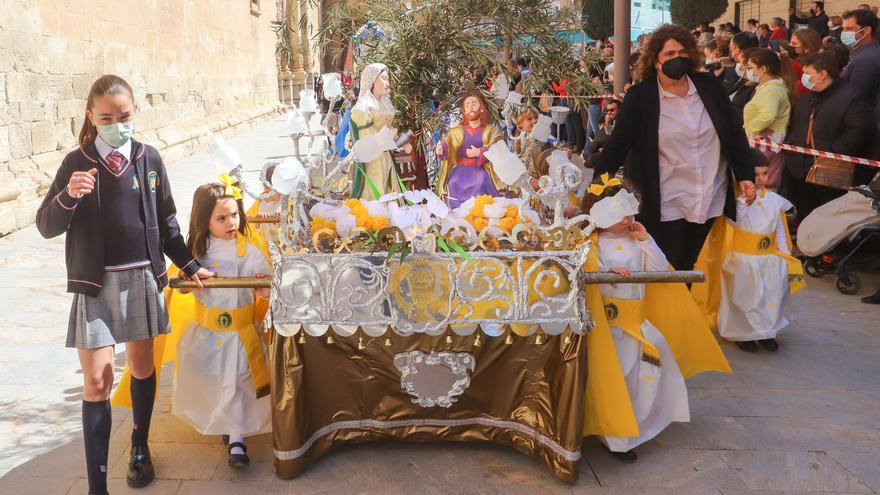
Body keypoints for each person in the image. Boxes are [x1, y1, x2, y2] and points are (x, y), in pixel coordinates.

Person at [35, 75, 213, 494]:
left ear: (135, 113)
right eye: (107, 117)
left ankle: (139, 445)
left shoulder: (149, 158)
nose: (117, 124)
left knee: (140, 367)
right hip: (94, 286)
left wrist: (189, 264)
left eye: (125, 116)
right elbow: (45, 225)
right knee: (96, 382)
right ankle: (98, 485)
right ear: (91, 117)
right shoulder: (75, 163)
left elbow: (168, 223)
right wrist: (68, 197)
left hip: (141, 280)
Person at [589, 24, 757, 273]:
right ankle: (670, 311)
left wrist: (745, 175)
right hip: (666, 198)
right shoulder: (641, 96)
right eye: (669, 54)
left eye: (682, 52)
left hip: (709, 195)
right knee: (669, 265)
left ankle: (691, 310)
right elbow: (618, 145)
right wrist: (596, 189)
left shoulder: (709, 86)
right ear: (655, 60)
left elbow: (733, 132)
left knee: (696, 267)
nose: (677, 58)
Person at [172, 182, 273, 468]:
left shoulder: (250, 252)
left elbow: (266, 283)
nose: (231, 222)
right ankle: (223, 423)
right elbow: (183, 286)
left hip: (241, 334)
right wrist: (186, 279)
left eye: (234, 215)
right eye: (221, 218)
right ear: (204, 220)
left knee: (239, 383)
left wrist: (263, 286)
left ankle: (237, 439)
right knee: (216, 380)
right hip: (207, 332)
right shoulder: (194, 255)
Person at [717, 157, 805, 352]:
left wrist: (785, 254)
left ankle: (767, 332)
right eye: (756, 174)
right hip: (744, 258)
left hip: (769, 258)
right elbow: (735, 222)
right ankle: (744, 334)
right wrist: (744, 202)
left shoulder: (774, 200)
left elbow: (779, 229)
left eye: (765, 173)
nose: (761, 178)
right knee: (745, 297)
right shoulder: (737, 200)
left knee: (771, 296)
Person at [782, 52, 875, 220]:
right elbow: (794, 127)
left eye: (808, 74)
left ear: (823, 74)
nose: (804, 78)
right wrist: (791, 151)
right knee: (805, 212)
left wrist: (832, 153)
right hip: (800, 168)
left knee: (829, 216)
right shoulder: (805, 99)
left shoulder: (852, 97)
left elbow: (859, 130)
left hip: (831, 172)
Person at [435, 82, 505, 208]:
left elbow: (498, 148)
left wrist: (480, 152)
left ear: (481, 108)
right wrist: (442, 149)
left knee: (481, 182)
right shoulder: (456, 131)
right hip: (460, 170)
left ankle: (480, 214)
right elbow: (448, 143)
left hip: (480, 170)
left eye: (474, 104)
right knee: (452, 182)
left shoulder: (490, 131)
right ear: (464, 111)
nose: (471, 107)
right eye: (467, 105)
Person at [743, 48, 793, 189]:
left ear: (763, 69)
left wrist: (750, 129)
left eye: (750, 68)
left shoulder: (772, 90)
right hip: (764, 145)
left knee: (764, 188)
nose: (749, 71)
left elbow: (768, 115)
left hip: (766, 146)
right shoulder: (768, 88)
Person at [349, 63, 399, 200]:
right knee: (375, 192)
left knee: (388, 190)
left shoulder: (385, 103)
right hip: (372, 160)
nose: (387, 83)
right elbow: (364, 141)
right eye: (383, 78)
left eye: (387, 79)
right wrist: (386, 137)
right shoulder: (363, 108)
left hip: (386, 156)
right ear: (372, 81)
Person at [841, 9, 880, 121]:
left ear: (867, 30)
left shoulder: (864, 60)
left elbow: (857, 99)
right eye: (843, 28)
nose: (844, 33)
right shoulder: (869, 52)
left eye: (849, 29)